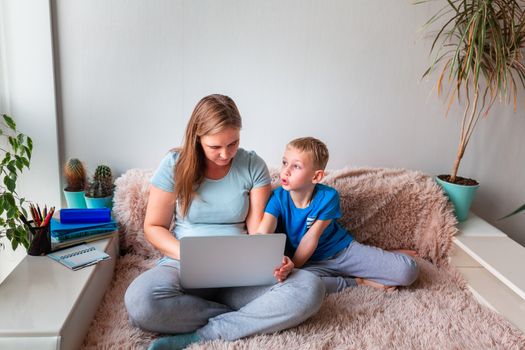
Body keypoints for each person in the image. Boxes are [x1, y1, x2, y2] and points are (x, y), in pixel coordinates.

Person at [124, 95, 325, 350]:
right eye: (215, 147)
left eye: (233, 143)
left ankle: (205, 333)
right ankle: (249, 316)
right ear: (197, 137)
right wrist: (188, 254)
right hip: (182, 265)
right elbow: (153, 227)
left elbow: (258, 231)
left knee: (310, 288)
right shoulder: (174, 165)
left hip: (240, 273)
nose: (225, 154)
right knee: (141, 303)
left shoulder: (252, 164)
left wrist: (274, 259)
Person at [257, 137, 420, 294]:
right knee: (288, 285)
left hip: (342, 252)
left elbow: (310, 239)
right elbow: (263, 233)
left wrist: (294, 267)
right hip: (309, 263)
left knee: (408, 271)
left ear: (316, 176)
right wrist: (286, 267)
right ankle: (358, 282)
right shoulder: (277, 198)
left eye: (296, 166)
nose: (285, 171)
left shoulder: (328, 197)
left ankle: (384, 256)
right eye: (285, 162)